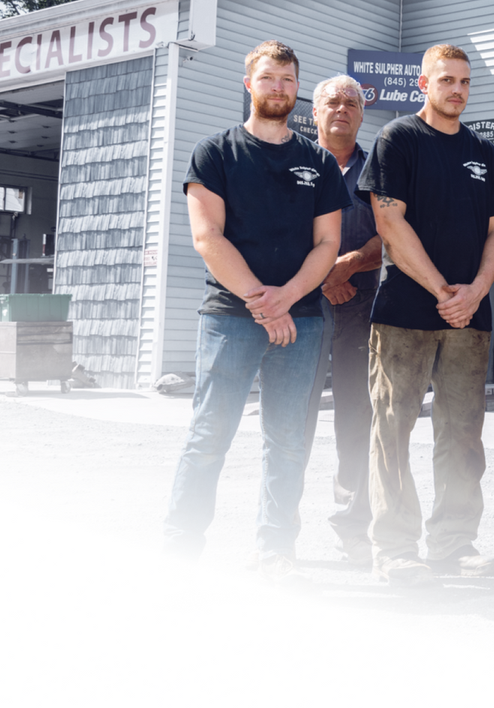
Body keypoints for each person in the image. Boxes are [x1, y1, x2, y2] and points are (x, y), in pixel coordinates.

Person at [163, 40, 349, 585]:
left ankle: (275, 549)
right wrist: (263, 304)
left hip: (303, 319)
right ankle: (180, 547)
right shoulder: (215, 153)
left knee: (289, 439)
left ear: (297, 89)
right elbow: (207, 237)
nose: (279, 88)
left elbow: (326, 246)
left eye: (289, 80)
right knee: (209, 434)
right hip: (230, 316)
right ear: (249, 84)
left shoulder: (317, 161)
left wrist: (286, 299)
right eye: (269, 78)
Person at [357, 44, 494, 586]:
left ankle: (454, 542)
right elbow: (388, 221)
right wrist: (445, 289)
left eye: (465, 82)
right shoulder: (398, 139)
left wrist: (477, 291)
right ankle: (394, 548)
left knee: (464, 433)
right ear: (424, 84)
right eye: (446, 80)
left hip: (469, 319)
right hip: (405, 312)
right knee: (391, 431)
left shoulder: (482, 152)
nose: (458, 91)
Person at [302, 74, 382, 565]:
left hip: (363, 311)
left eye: (351, 102)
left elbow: (391, 235)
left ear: (361, 113)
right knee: (293, 417)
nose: (341, 109)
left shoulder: (380, 171)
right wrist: (322, 279)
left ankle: (354, 524)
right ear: (314, 112)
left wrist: (347, 265)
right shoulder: (292, 161)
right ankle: (279, 525)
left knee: (359, 420)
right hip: (302, 309)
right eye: (331, 101)